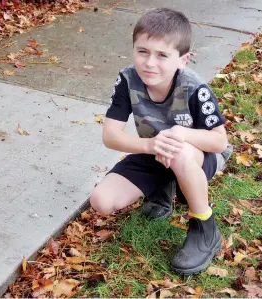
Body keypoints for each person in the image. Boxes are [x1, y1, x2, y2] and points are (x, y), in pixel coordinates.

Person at [90, 7, 233, 275]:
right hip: (153, 151)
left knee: (177, 150)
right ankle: (162, 190)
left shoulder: (194, 88)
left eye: (162, 55)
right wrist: (150, 145)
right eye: (142, 51)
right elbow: (111, 136)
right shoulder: (128, 79)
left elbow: (218, 142)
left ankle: (205, 227)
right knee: (101, 201)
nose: (149, 63)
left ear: (183, 59)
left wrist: (181, 134)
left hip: (198, 156)